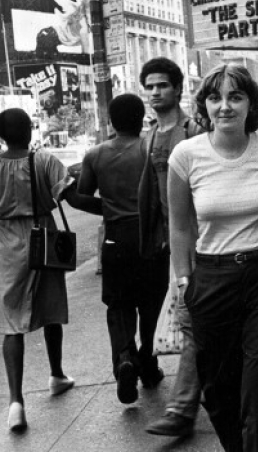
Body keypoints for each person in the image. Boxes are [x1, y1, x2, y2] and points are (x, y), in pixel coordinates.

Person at [167, 64, 258, 452]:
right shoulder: (185, 155)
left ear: (250, 103)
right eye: (215, 97)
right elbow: (179, 226)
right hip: (209, 280)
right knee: (219, 396)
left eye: (235, 97)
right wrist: (183, 284)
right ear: (204, 104)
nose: (224, 106)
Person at [0, 108, 97, 432]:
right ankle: (56, 374)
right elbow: (75, 198)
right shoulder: (44, 161)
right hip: (43, 238)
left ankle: (16, 401)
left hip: (5, 245)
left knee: (11, 322)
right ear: (30, 130)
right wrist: (112, 208)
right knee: (50, 307)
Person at [76, 94, 168, 404]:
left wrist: (106, 205)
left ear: (112, 121)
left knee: (119, 305)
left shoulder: (95, 155)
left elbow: (84, 198)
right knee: (151, 302)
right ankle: (148, 360)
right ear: (142, 117)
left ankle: (125, 355)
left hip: (115, 239)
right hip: (149, 237)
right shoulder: (149, 149)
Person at [138, 58, 204, 437]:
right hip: (172, 242)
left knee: (191, 319)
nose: (154, 92)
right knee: (194, 318)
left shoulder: (191, 130)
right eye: (149, 86)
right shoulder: (150, 136)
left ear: (178, 90)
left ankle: (182, 407)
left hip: (201, 238)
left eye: (162, 85)